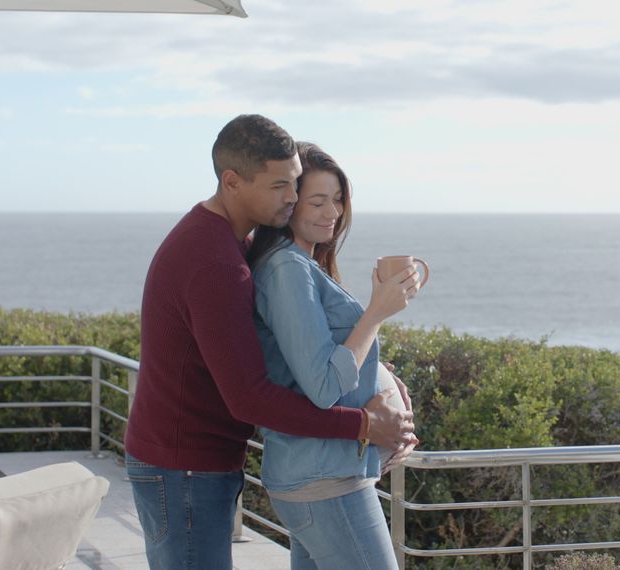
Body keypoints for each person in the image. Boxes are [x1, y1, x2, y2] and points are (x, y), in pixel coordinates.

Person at [123, 115, 415, 570]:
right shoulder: (216, 260)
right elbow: (250, 397)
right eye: (281, 186)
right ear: (232, 181)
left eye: (296, 183)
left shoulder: (233, 242)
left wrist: (374, 378)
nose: (293, 198)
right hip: (182, 466)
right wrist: (362, 424)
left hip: (198, 460)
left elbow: (275, 351)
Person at [246, 141, 420, 570]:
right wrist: (377, 312)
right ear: (289, 203)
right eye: (318, 201)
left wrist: (376, 376)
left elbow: (311, 361)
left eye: (338, 200)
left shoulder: (303, 264)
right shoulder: (287, 269)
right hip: (325, 481)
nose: (332, 213)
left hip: (323, 476)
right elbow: (323, 385)